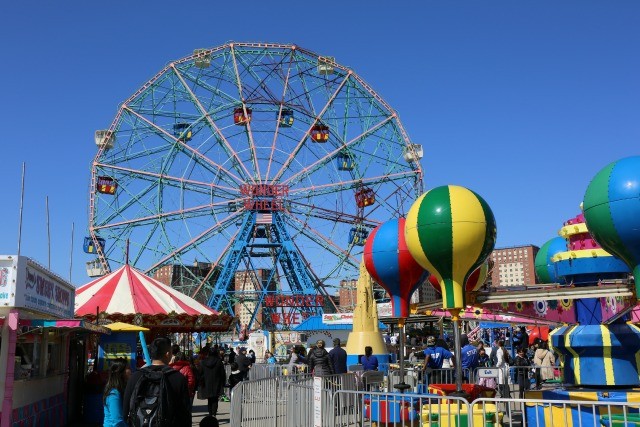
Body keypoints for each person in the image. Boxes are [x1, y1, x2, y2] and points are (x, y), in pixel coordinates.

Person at [123, 337, 191, 427]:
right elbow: (184, 414)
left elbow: (125, 410)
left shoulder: (135, 377)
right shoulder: (178, 378)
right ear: (168, 354)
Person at [200, 347, 226, 417]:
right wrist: (223, 383)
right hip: (217, 382)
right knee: (215, 399)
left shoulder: (203, 362)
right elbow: (222, 373)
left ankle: (210, 414)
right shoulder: (219, 361)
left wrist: (201, 383)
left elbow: (201, 373)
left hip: (207, 383)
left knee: (209, 400)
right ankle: (214, 414)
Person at [103, 360, 129, 427]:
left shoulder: (120, 390)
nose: (130, 371)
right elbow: (117, 421)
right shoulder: (114, 394)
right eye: (128, 368)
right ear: (120, 372)